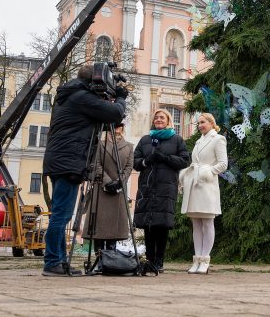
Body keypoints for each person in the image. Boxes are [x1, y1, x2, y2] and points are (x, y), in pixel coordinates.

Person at [41, 65, 127, 277]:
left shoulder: (72, 95)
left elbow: (108, 122)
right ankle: (52, 261)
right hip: (67, 162)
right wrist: (120, 97)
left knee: (61, 214)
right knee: (61, 216)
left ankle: (59, 261)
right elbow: (115, 112)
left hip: (62, 160)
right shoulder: (81, 97)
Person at [133, 109, 190, 273]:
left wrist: (165, 159)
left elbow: (184, 160)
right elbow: (135, 161)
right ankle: (149, 260)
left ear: (168, 121)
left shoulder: (177, 139)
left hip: (166, 186)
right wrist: (146, 161)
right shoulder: (145, 140)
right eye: (156, 117)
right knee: (147, 225)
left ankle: (159, 261)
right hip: (147, 186)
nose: (158, 119)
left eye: (162, 117)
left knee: (161, 224)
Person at [179, 113, 228, 274]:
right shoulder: (199, 141)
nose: (200, 125)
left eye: (203, 122)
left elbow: (223, 164)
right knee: (196, 224)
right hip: (194, 184)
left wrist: (207, 171)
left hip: (207, 185)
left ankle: (205, 259)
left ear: (212, 123)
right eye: (198, 123)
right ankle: (197, 259)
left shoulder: (218, 139)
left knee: (207, 222)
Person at [83, 124, 133, 252]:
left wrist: (119, 181)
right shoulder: (100, 144)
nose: (116, 128)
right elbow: (96, 163)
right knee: (99, 226)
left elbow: (129, 167)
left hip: (118, 190)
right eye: (114, 125)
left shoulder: (129, 146)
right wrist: (107, 181)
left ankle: (111, 257)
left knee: (114, 229)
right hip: (101, 189)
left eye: (119, 125)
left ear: (122, 128)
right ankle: (99, 259)